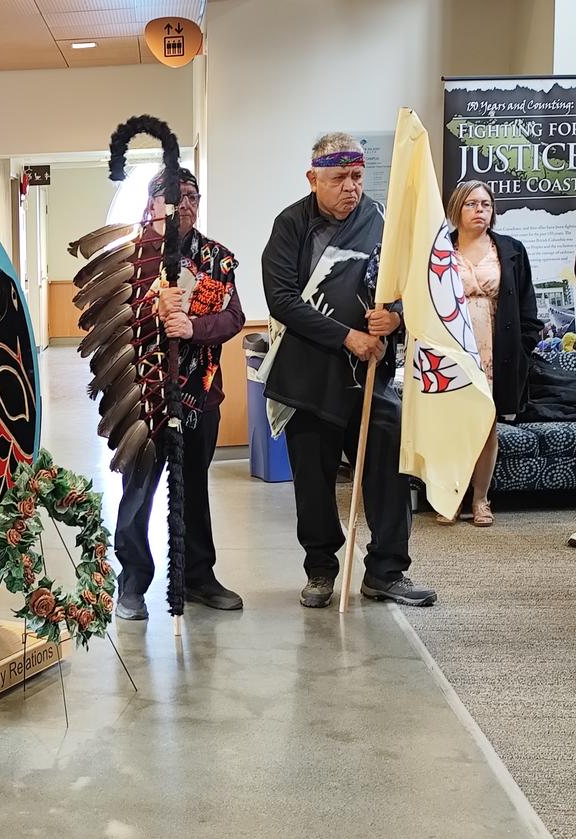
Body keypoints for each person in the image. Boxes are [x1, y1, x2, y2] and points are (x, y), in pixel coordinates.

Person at [261, 132, 437, 609]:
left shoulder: (383, 221)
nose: (350, 187)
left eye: (357, 177)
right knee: (313, 486)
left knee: (388, 473)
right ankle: (321, 569)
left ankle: (386, 571)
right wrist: (347, 335)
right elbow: (280, 299)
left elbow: (410, 285)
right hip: (307, 378)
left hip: (369, 378)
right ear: (312, 178)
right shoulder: (290, 225)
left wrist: (395, 316)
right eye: (338, 178)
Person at [115, 167, 245, 619]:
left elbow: (233, 318)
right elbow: (111, 327)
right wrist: (152, 309)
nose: (184, 204)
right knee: (139, 490)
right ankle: (132, 582)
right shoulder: (130, 261)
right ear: (151, 204)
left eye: (191, 196)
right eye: (173, 196)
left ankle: (197, 577)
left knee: (192, 489)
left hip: (199, 396)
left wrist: (192, 326)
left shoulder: (217, 260)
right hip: (142, 398)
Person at [438, 180, 541, 526]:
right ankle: (450, 497)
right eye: (471, 204)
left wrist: (524, 347)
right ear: (456, 209)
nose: (480, 210)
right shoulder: (440, 250)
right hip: (453, 350)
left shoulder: (511, 249)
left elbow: (528, 304)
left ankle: (481, 499)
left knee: (485, 425)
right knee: (452, 425)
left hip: (499, 351)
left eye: (485, 204)